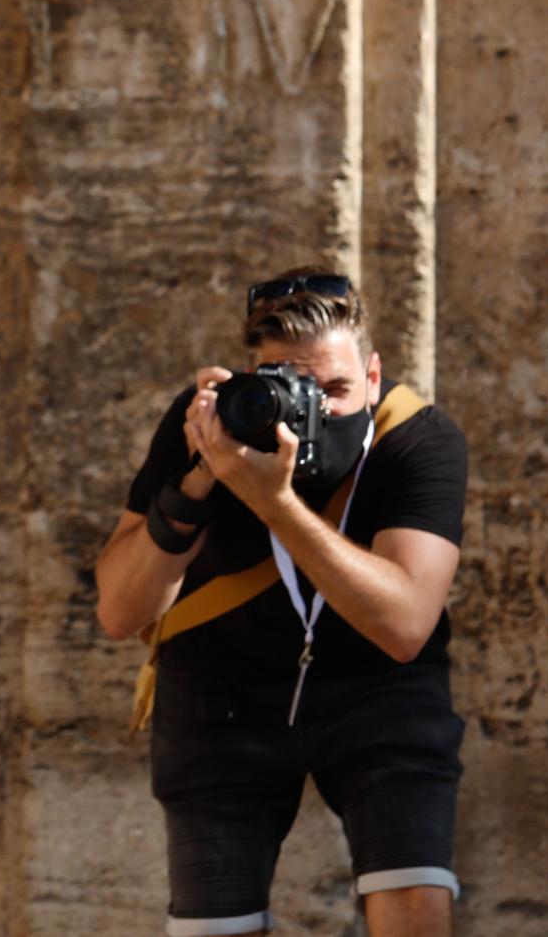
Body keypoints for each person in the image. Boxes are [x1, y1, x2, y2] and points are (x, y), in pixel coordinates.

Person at [94, 271, 468, 937]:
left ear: (375, 376)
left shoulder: (416, 439)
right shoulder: (208, 425)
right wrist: (201, 476)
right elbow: (121, 612)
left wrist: (274, 502)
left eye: (336, 389)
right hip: (221, 693)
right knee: (217, 925)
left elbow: (408, 624)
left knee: (414, 906)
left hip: (378, 689)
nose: (315, 410)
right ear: (248, 375)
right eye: (288, 385)